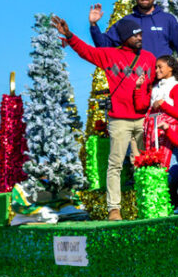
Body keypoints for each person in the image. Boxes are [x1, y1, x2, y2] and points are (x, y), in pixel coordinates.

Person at [52, 14, 156, 221]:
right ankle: (114, 209)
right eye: (135, 35)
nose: (139, 37)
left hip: (143, 119)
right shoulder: (110, 55)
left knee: (143, 163)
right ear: (125, 37)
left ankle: (146, 205)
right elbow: (87, 52)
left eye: (140, 34)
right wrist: (70, 36)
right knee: (115, 164)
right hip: (120, 119)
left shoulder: (149, 58)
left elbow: (154, 85)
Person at [89, 0, 178, 75]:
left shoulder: (167, 20)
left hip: (162, 78)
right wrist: (94, 25)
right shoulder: (127, 21)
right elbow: (104, 45)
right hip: (136, 79)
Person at [141, 54, 178, 168]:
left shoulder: (176, 87)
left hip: (168, 135)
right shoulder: (156, 87)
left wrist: (163, 104)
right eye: (156, 67)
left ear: (170, 68)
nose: (157, 70)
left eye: (160, 67)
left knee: (169, 164)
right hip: (153, 132)